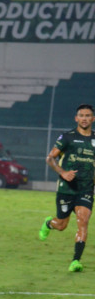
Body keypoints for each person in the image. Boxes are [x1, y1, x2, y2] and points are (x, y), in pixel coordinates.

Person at [39, 103, 95, 272]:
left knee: (83, 221)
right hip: (67, 188)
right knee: (62, 225)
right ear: (76, 118)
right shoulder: (67, 137)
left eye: (87, 116)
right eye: (81, 116)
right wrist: (62, 172)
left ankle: (75, 261)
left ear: (93, 119)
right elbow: (50, 159)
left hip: (86, 189)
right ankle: (49, 223)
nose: (84, 118)